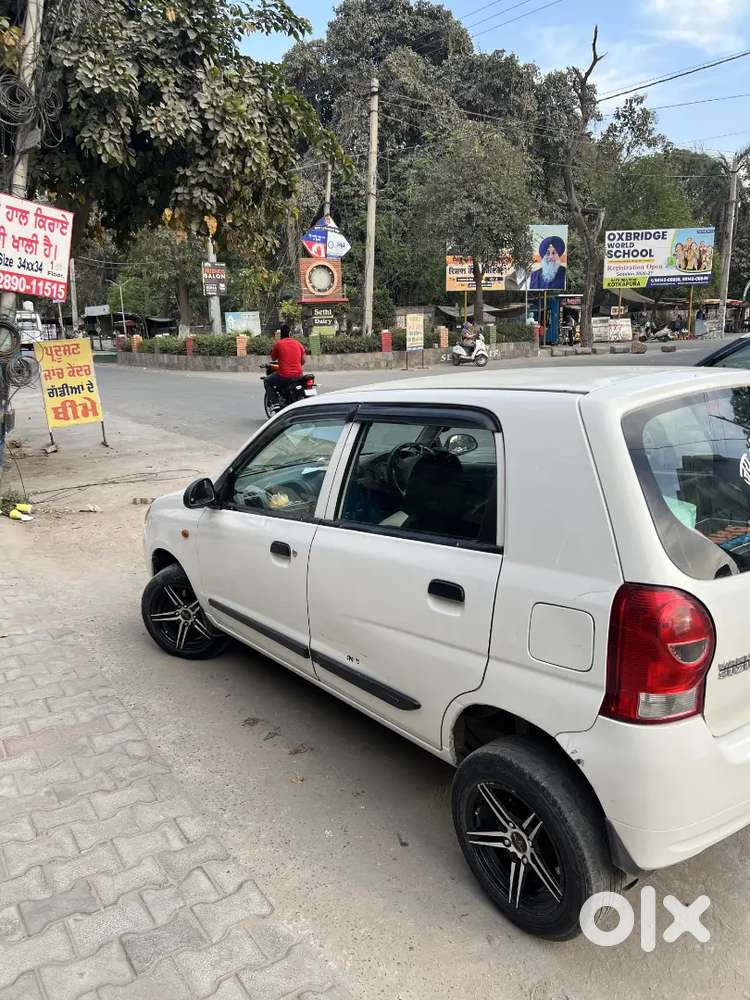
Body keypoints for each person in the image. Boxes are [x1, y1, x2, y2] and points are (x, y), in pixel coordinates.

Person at [268, 324, 306, 401]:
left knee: (267, 381)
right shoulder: (298, 344)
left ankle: (275, 402)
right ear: (290, 334)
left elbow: (273, 358)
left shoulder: (278, 344)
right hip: (299, 375)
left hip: (284, 375)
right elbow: (303, 361)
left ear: (281, 334)